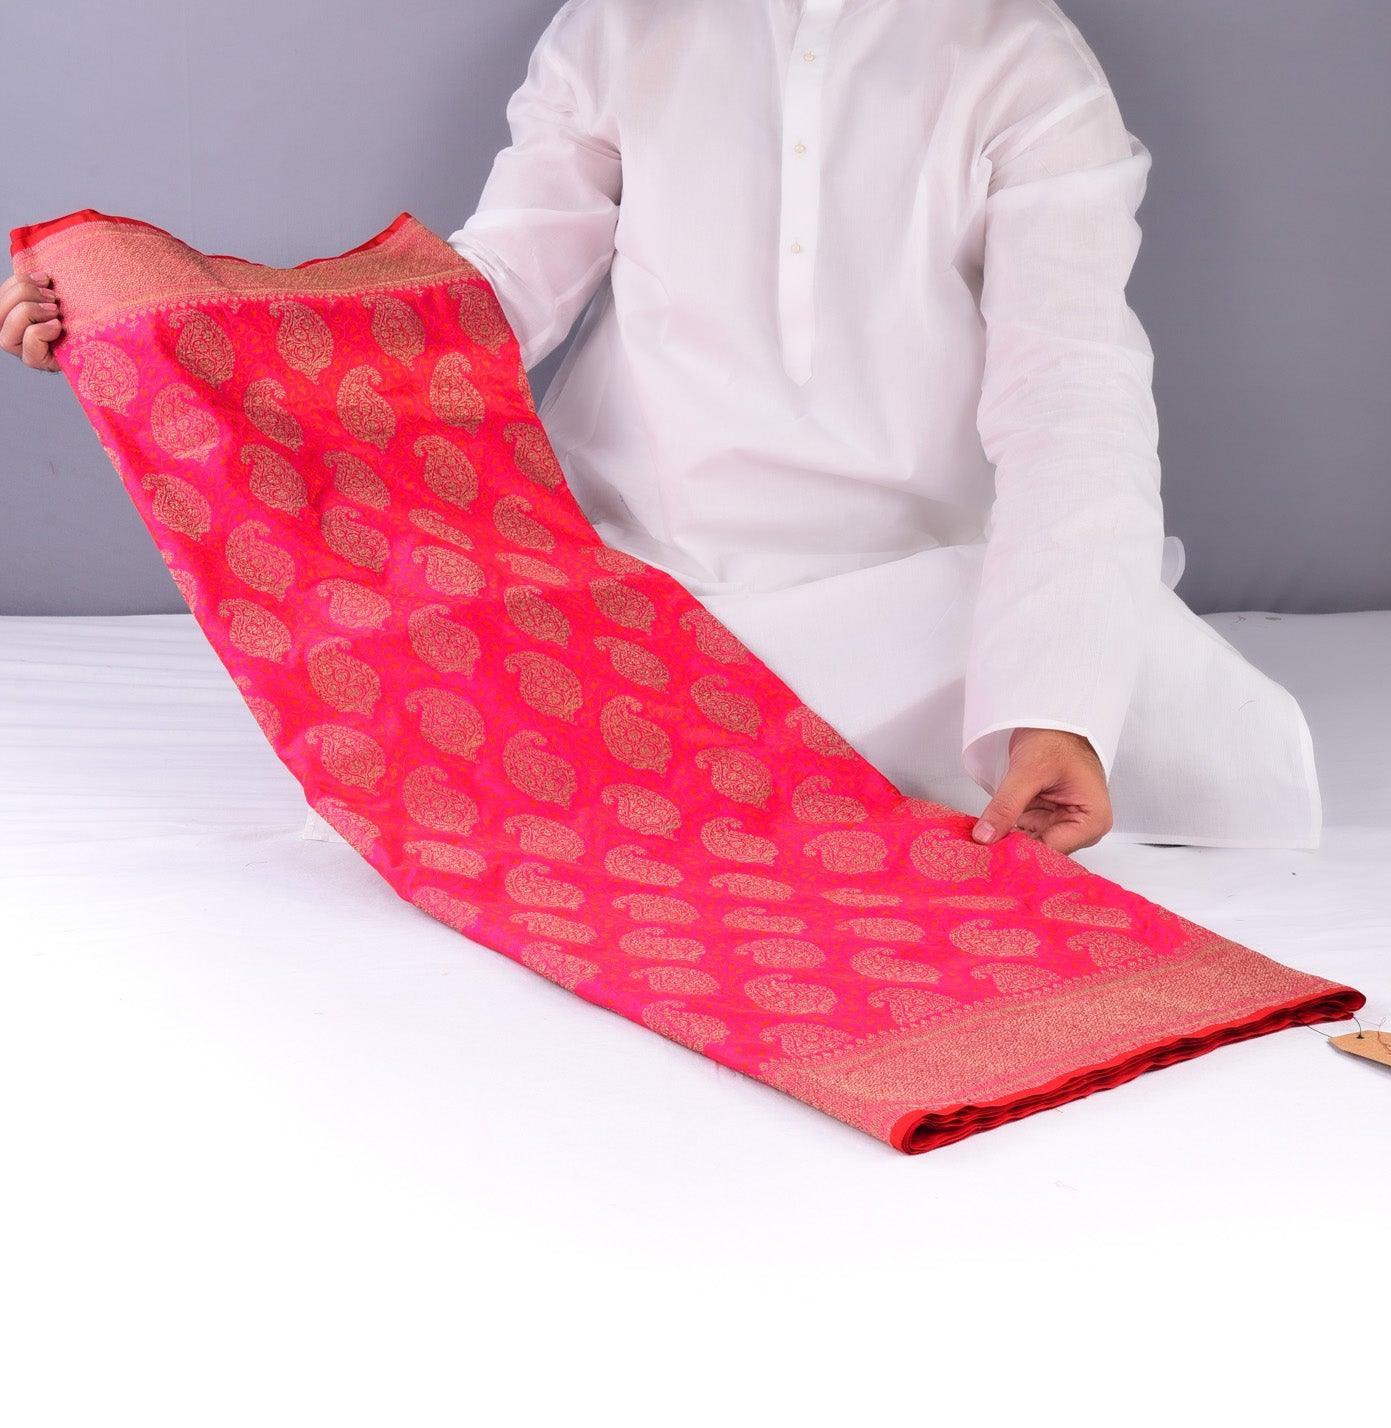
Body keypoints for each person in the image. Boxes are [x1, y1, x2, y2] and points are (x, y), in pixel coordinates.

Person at [3, 0, 1323, 854]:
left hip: (920, 591)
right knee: (449, 677)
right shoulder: (621, 28)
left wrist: (1056, 703)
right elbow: (487, 301)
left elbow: (1071, 390)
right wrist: (146, 323)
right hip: (640, 585)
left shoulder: (1022, 62)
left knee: (1129, 682)